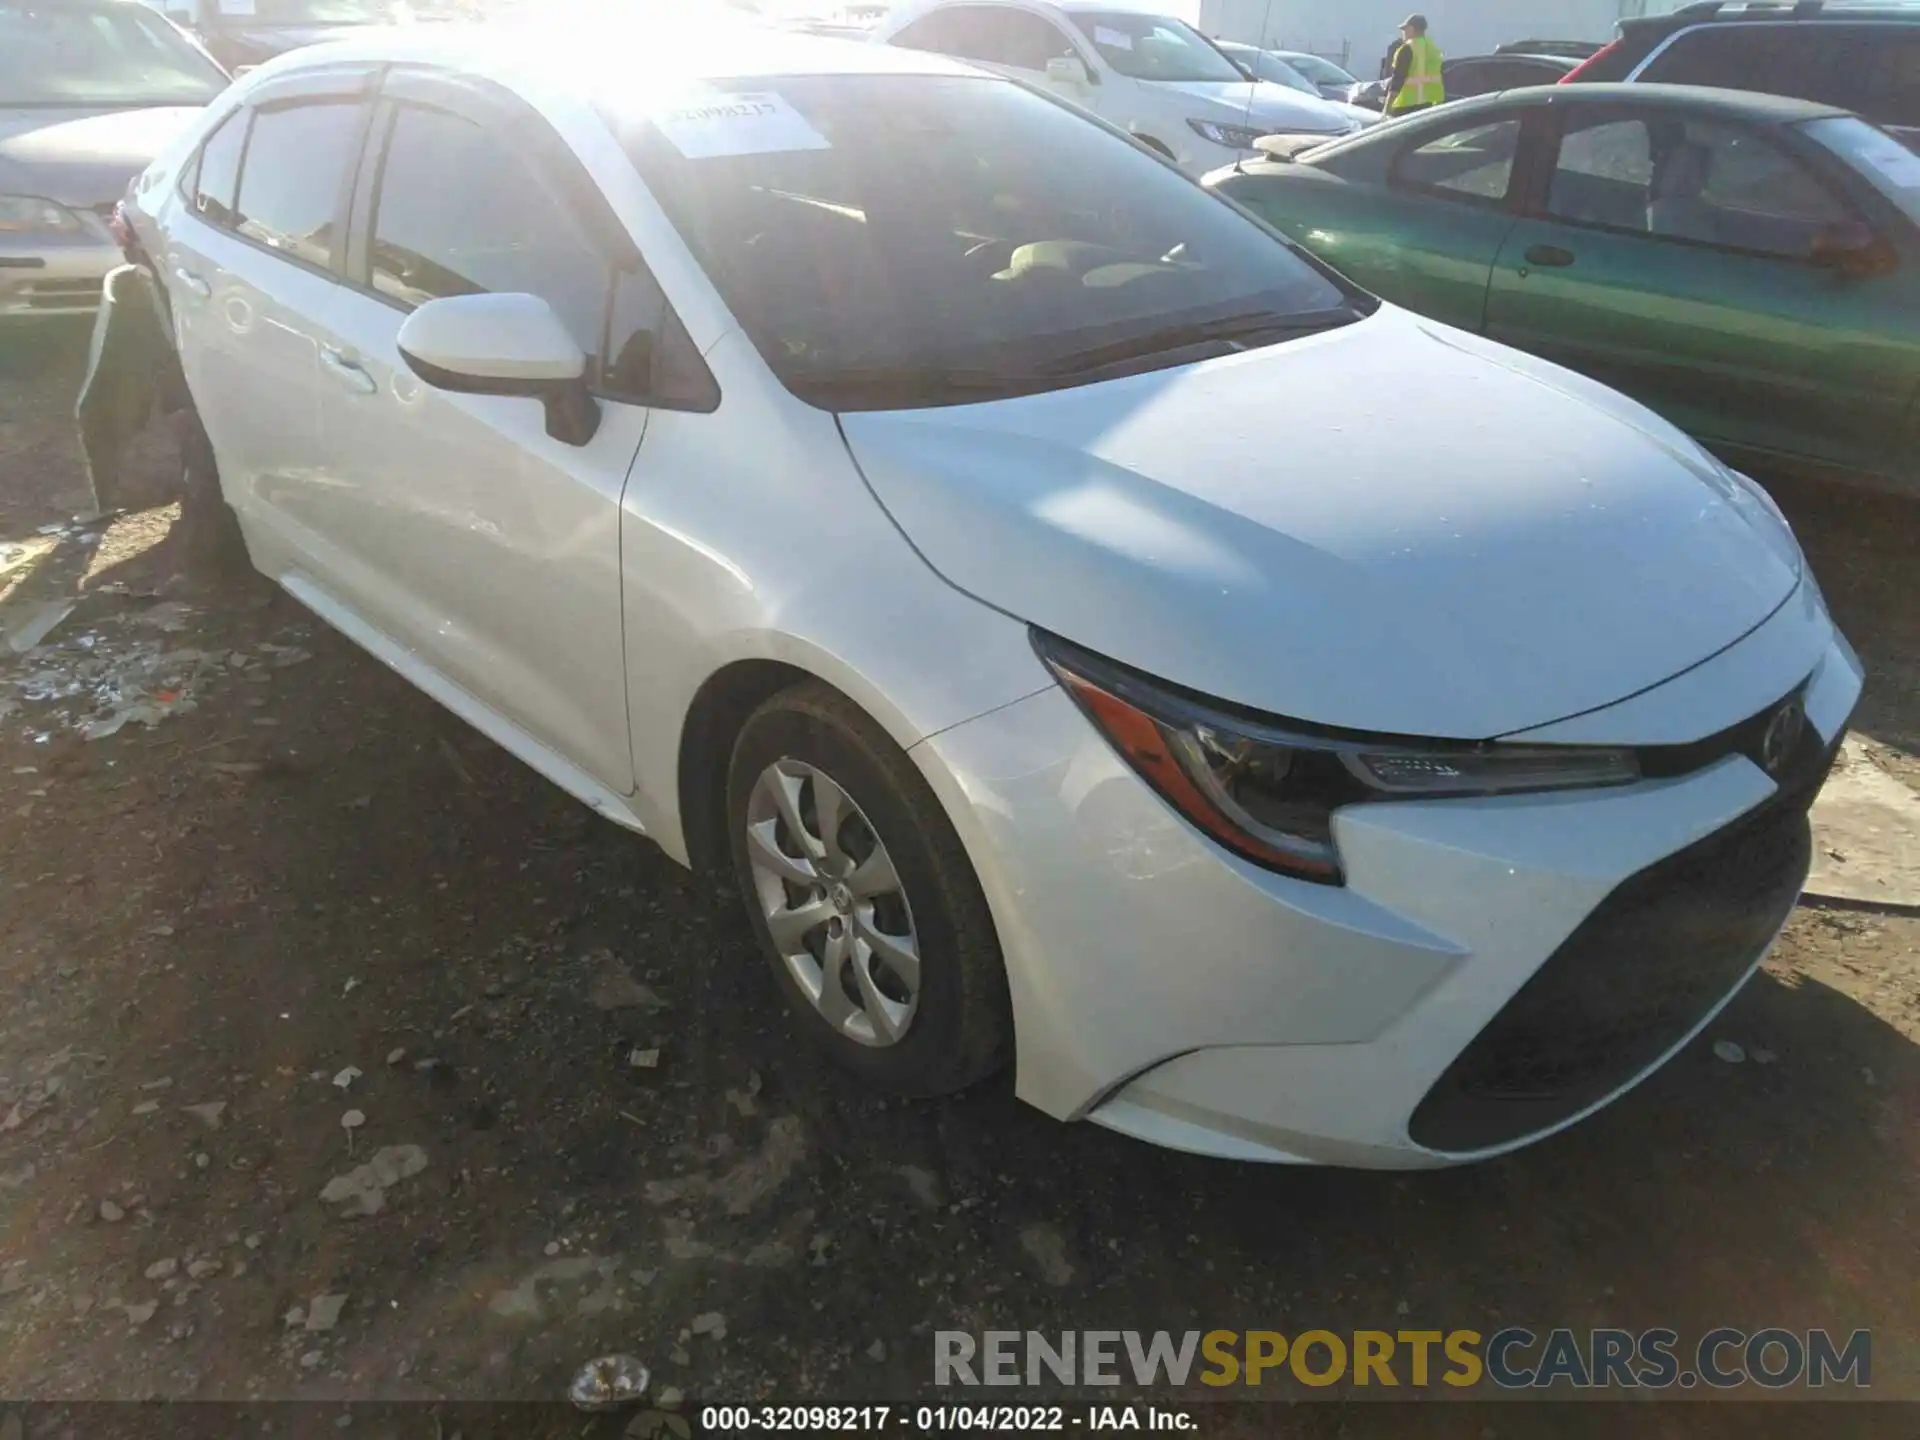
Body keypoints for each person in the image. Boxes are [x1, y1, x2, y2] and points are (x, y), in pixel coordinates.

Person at [1384, 13, 1445, 115]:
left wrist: (1386, 110)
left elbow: (1397, 82)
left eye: (1404, 30)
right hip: (1428, 106)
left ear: (1411, 29)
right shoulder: (1434, 49)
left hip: (1405, 108)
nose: (1403, 33)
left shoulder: (1407, 49)